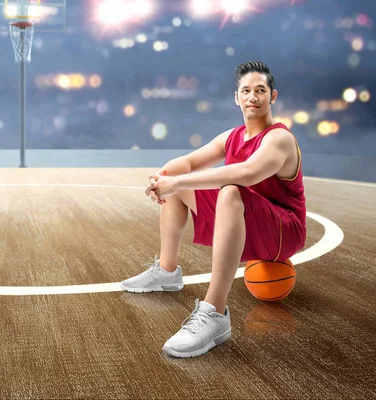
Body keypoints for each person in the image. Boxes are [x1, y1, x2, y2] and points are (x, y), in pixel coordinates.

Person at [120, 61, 306, 358]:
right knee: (177, 169)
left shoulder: (279, 138)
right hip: (243, 217)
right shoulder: (231, 136)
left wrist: (175, 182)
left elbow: (246, 174)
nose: (252, 97)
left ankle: (215, 315)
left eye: (260, 90)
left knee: (230, 190)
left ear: (273, 96)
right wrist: (163, 179)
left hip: (284, 230)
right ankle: (167, 272)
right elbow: (188, 164)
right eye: (245, 91)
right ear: (236, 97)